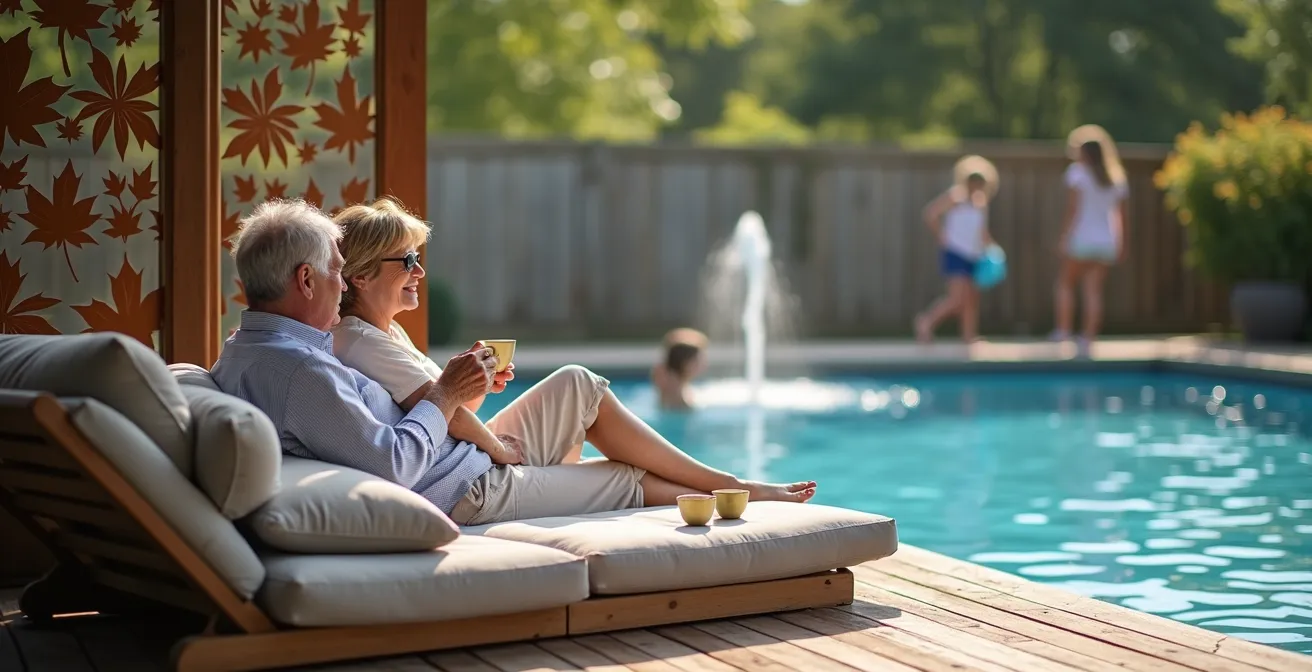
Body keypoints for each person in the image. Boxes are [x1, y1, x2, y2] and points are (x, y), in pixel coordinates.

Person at [321, 198, 817, 526]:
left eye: (417, 257)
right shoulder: (359, 341)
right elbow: (441, 411)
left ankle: (725, 485)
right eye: (406, 261)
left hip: (466, 459)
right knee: (624, 475)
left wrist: (478, 384)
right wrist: (499, 446)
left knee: (579, 384)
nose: (419, 271)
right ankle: (733, 488)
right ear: (361, 276)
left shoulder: (384, 333)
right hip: (467, 486)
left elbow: (440, 412)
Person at [1052, 124, 1129, 354]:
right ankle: (1088, 338)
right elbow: (1120, 216)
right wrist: (1121, 242)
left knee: (1065, 284)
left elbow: (1073, 210)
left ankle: (1063, 331)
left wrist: (1065, 236)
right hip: (1106, 241)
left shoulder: (1077, 174)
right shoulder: (1116, 177)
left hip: (1082, 238)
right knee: (1093, 290)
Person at [914, 155, 998, 344]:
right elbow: (930, 214)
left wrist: (992, 247)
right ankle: (926, 322)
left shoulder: (981, 202)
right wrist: (941, 237)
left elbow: (982, 231)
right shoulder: (955, 197)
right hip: (955, 252)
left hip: (973, 254)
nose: (975, 185)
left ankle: (969, 336)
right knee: (956, 298)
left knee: (970, 298)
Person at [650, 328, 707, 410]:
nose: (703, 365)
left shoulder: (678, 384)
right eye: (698, 360)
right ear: (687, 363)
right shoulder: (674, 389)